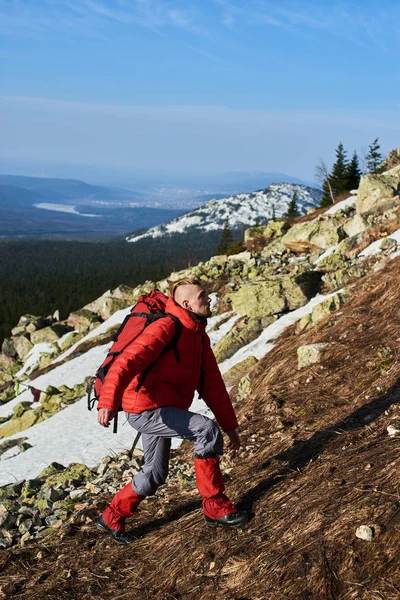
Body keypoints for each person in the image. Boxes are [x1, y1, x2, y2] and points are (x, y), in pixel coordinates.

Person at [96, 278, 248, 544]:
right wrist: (108, 402)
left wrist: (230, 426)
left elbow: (213, 385)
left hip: (162, 408)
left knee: (155, 473)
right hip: (143, 408)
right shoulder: (167, 326)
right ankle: (214, 506)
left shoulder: (199, 337)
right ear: (187, 303)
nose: (209, 299)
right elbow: (126, 362)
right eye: (203, 296)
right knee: (206, 431)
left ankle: (111, 516)